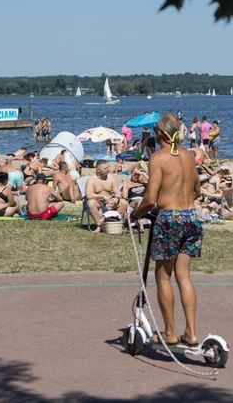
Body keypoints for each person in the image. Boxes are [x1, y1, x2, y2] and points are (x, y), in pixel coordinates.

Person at [133, 112, 204, 348]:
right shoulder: (188, 156)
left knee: (162, 276)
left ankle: (170, 332)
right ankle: (191, 333)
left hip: (169, 218)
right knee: (183, 276)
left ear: (161, 134)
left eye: (154, 132)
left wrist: (135, 214)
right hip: (191, 217)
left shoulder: (158, 158)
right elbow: (197, 191)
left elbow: (150, 198)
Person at [86, 160, 128, 230]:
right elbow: (89, 195)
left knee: (123, 202)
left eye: (108, 167)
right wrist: (101, 196)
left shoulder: (111, 178)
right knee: (90, 203)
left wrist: (117, 198)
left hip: (110, 201)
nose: (108, 169)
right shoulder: (91, 180)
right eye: (105, 168)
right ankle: (99, 226)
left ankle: (113, 222)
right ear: (98, 170)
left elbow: (117, 192)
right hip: (98, 202)